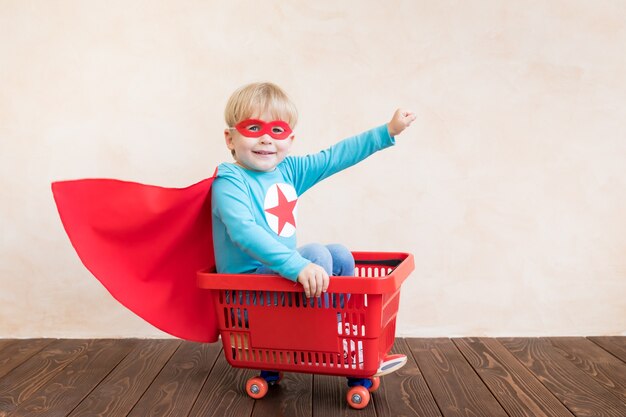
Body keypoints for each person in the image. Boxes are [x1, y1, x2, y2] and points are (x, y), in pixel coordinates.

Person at [211, 82, 415, 376]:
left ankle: (338, 337)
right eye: (253, 128)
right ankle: (329, 344)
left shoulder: (288, 171)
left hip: (276, 287)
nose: (266, 139)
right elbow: (243, 231)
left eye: (277, 130)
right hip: (245, 298)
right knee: (316, 256)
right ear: (230, 138)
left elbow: (334, 157)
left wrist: (387, 131)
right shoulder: (229, 179)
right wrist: (297, 265)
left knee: (341, 256)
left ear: (290, 139)